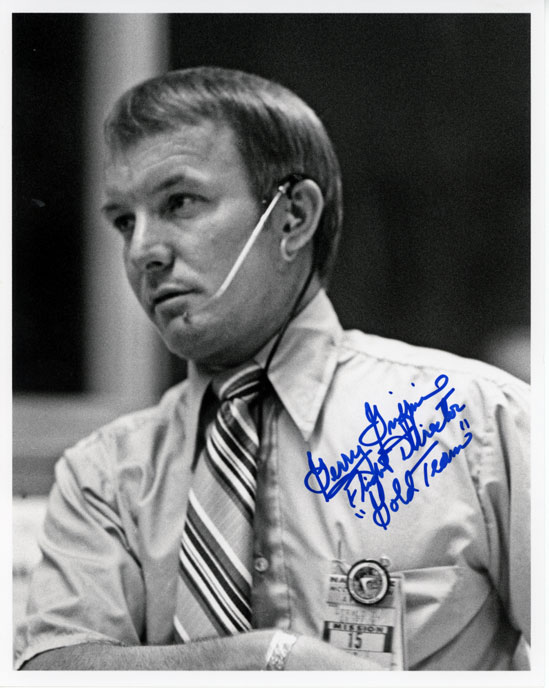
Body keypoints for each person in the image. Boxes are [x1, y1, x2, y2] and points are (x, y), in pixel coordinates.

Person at [16, 66, 530, 671]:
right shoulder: (104, 475)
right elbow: (52, 670)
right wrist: (263, 661)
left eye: (180, 203)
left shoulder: (478, 422)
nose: (143, 251)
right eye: (125, 221)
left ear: (293, 218)